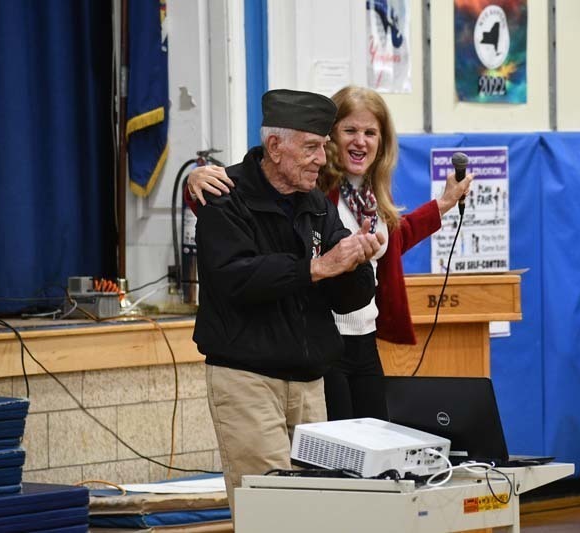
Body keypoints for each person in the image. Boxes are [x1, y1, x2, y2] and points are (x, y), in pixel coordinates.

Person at [188, 85, 472, 421]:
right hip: (323, 335)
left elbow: (391, 241)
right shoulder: (313, 185)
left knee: (374, 438)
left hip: (363, 334)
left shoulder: (371, 195)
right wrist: (193, 180)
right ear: (329, 136)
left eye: (370, 132)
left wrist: (443, 205)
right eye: (349, 130)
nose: (360, 141)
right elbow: (235, 200)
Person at [193, 89, 384, 515]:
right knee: (272, 513)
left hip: (311, 382)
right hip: (247, 380)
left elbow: (350, 299)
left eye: (323, 147)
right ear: (276, 147)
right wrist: (315, 268)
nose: (321, 159)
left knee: (317, 514)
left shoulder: (316, 203)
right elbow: (234, 278)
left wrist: (355, 263)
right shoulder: (225, 195)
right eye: (312, 147)